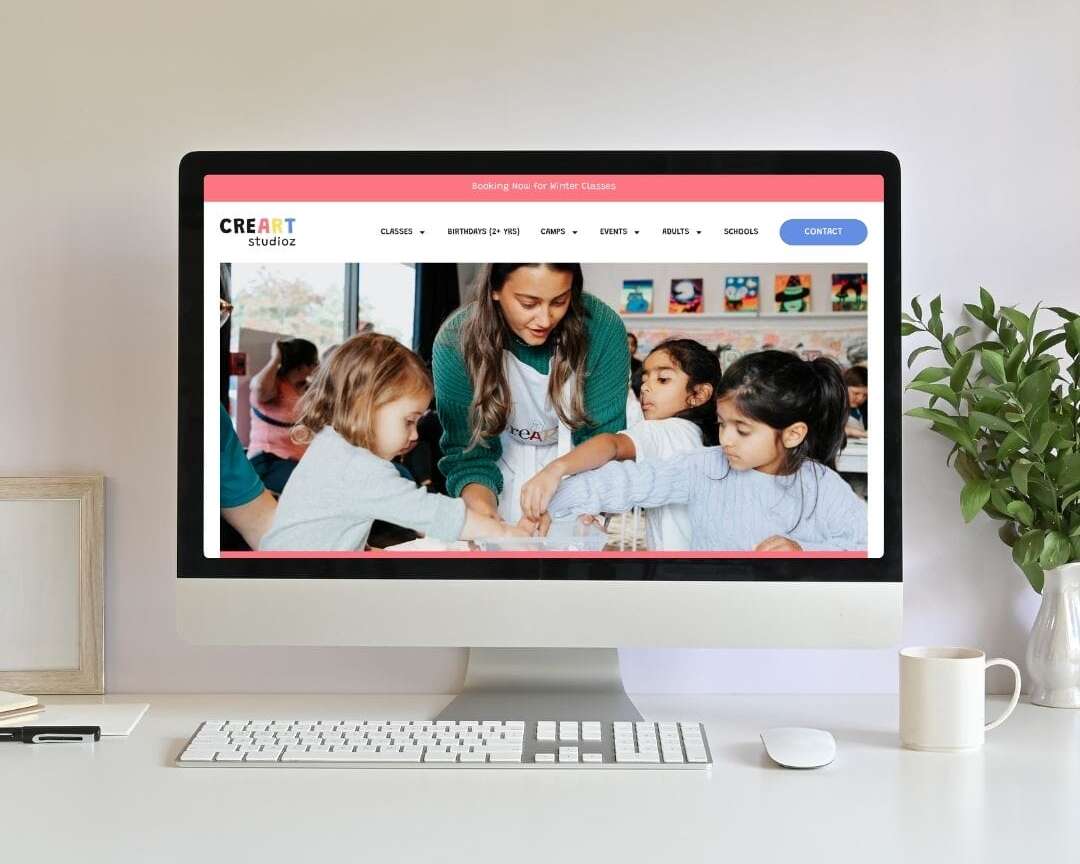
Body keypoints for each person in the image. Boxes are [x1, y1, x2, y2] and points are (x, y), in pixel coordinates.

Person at [543, 350, 867, 552]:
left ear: (793, 434)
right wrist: (550, 497)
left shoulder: (822, 486)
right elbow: (630, 481)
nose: (726, 439)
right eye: (722, 424)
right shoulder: (704, 467)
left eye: (742, 430)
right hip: (710, 613)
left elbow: (865, 544)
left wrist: (804, 551)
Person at [260, 333, 531, 552]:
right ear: (365, 407)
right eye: (408, 421)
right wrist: (503, 533)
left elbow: (330, 530)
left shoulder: (332, 447)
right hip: (294, 585)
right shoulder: (357, 466)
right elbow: (430, 514)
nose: (414, 435)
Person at [431, 263, 630, 525]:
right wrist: (485, 518)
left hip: (577, 465)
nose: (545, 319)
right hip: (497, 466)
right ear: (494, 289)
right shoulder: (456, 340)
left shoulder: (602, 329)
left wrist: (587, 504)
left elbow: (604, 440)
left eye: (559, 301)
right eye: (528, 304)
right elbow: (468, 454)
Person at [519, 338, 720, 551]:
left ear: (699, 394)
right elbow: (637, 483)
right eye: (644, 379)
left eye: (663, 379)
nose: (646, 387)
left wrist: (556, 470)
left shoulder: (667, 430)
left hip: (676, 566)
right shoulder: (702, 441)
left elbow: (612, 445)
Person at [247, 337, 319, 493]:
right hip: (268, 461)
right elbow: (259, 387)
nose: (316, 366)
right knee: (312, 487)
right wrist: (275, 359)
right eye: (314, 362)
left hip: (296, 462)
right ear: (303, 365)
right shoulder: (274, 385)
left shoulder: (304, 389)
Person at [843, 365, 869, 439]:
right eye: (856, 393)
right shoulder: (833, 406)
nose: (860, 398)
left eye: (865, 395)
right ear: (844, 388)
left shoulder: (864, 409)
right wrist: (851, 431)